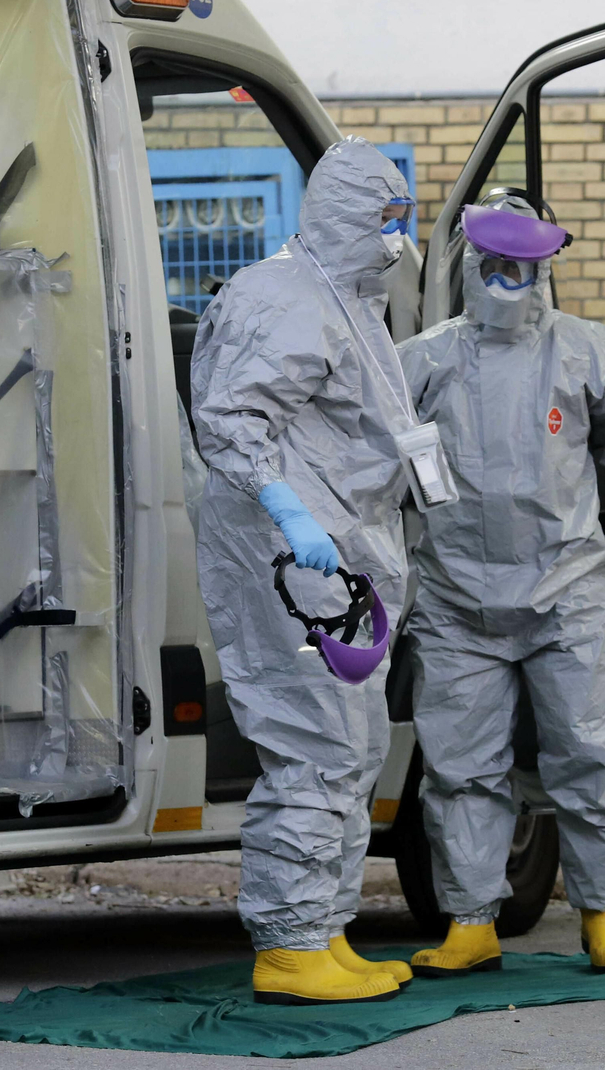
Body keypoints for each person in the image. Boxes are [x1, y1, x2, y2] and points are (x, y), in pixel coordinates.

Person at [396, 191, 605, 976]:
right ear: (470, 265)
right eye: (496, 264)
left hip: (564, 589)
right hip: (457, 599)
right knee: (459, 764)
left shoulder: (586, 351)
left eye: (525, 264)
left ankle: (601, 911)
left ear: (547, 266)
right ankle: (471, 920)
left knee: (586, 751)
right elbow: (381, 454)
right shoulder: (427, 358)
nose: (509, 280)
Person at [192, 136, 418, 1005]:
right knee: (312, 744)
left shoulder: (347, 297)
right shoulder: (281, 300)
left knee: (352, 747)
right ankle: (287, 944)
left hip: (344, 549)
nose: (396, 237)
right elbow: (234, 422)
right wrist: (288, 510)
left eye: (402, 219)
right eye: (385, 219)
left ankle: (326, 929)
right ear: (345, 214)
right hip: (287, 555)